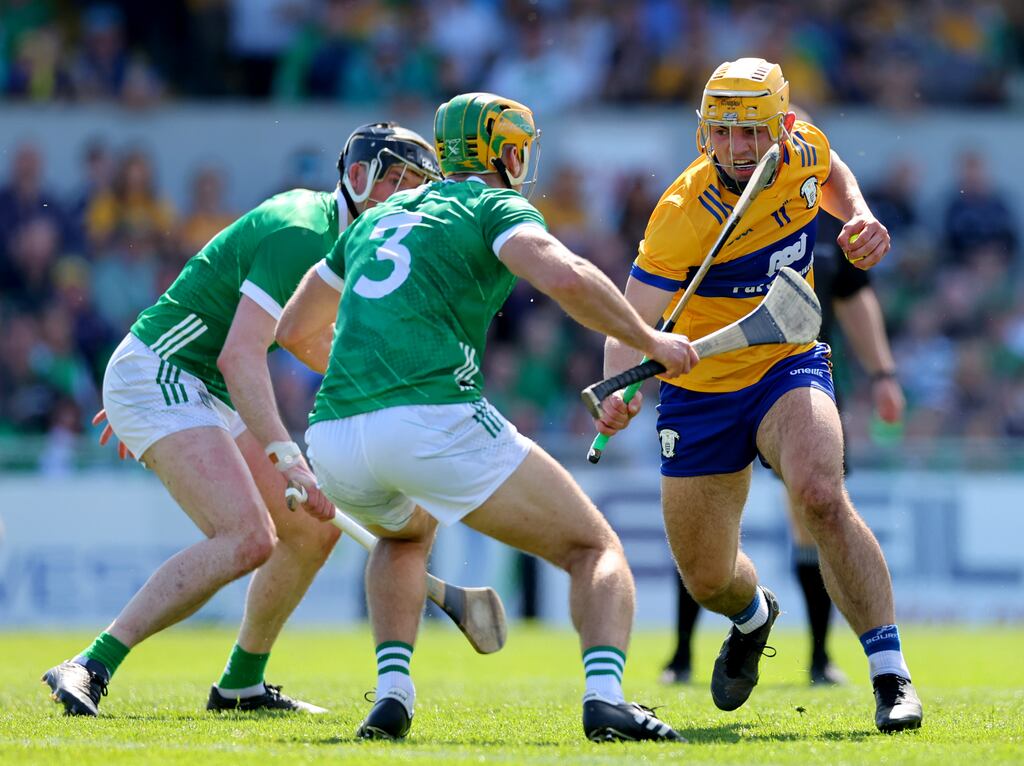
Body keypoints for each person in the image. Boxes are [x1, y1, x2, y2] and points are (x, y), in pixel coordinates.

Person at [276, 91, 696, 743]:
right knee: (594, 549)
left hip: (332, 435)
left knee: (403, 536)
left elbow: (293, 327)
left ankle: (392, 692)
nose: (525, 161)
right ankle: (607, 699)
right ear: (499, 151)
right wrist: (651, 339)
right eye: (519, 148)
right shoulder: (491, 203)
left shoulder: (373, 219)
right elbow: (568, 277)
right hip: (430, 419)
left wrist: (366, 385)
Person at [41, 122, 442, 717]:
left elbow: (304, 338)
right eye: (395, 182)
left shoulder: (350, 245)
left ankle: (240, 684)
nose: (404, 200)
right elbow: (240, 354)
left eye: (416, 189)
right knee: (249, 538)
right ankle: (90, 664)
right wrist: (287, 455)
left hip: (190, 382)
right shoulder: (302, 233)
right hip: (166, 376)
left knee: (312, 529)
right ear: (356, 179)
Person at [599, 58, 923, 733]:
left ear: (780, 125)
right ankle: (754, 617)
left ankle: (891, 676)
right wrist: (620, 386)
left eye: (752, 132)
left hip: (787, 360)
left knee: (820, 495)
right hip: (699, 393)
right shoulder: (682, 214)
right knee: (708, 578)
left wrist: (857, 216)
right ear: (704, 132)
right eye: (723, 132)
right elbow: (632, 319)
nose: (738, 149)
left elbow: (830, 175)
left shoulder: (802, 145)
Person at [661, 210, 906, 687]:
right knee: (702, 534)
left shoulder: (831, 218)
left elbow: (854, 297)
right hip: (714, 389)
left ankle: (825, 658)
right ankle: (682, 655)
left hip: (797, 383)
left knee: (815, 510)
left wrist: (883, 373)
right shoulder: (706, 207)